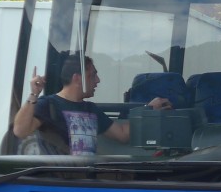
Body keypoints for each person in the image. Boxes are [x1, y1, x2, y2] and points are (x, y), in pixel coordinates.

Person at [13, 56, 171, 155]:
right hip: (59, 181)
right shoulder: (48, 104)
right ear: (77, 78)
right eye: (93, 75)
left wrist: (148, 110)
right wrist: (34, 94)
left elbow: (122, 134)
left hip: (87, 181)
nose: (98, 80)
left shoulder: (90, 109)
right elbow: (20, 131)